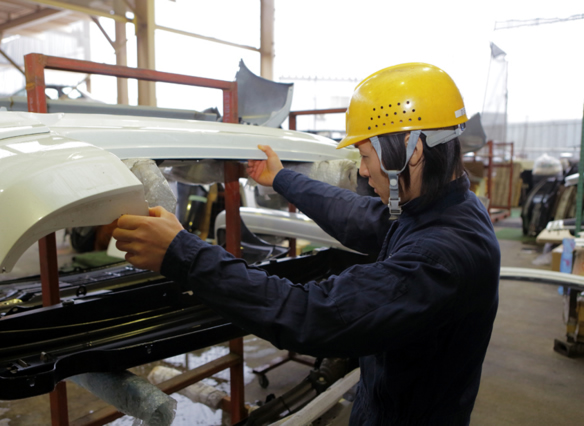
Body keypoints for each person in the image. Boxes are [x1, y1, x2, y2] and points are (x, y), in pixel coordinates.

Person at [113, 62, 500, 425]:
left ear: (410, 152)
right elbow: (357, 215)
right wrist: (281, 179)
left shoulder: (440, 256)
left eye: (365, 156)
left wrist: (181, 253)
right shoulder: (442, 209)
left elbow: (313, 314)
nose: (362, 170)